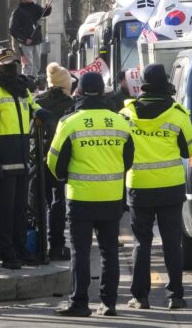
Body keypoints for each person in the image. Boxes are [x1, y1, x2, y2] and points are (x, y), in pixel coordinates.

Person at [49, 72, 134, 317]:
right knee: (110, 252)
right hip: (111, 197)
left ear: (80, 92)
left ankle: (80, 302)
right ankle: (108, 303)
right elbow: (128, 159)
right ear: (104, 92)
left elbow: (53, 161)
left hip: (80, 198)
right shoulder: (119, 122)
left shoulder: (70, 122)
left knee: (81, 252)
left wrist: (66, 177)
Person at [120, 63, 192, 310]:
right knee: (172, 242)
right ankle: (175, 296)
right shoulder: (178, 113)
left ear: (141, 84)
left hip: (139, 186)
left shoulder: (126, 115)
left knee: (141, 242)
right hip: (170, 187)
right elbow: (191, 150)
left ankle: (140, 297)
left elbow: (120, 151)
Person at [0, 48, 37, 268]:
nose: (12, 67)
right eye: (7, 64)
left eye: (14, 63)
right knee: (4, 211)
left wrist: (41, 111)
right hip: (4, 159)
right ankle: (7, 254)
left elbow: (33, 107)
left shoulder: (21, 89)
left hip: (22, 156)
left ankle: (20, 248)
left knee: (19, 209)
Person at [33, 62, 75, 261]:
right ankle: (57, 245)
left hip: (38, 159)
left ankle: (39, 245)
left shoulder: (36, 102)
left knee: (39, 201)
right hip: (62, 159)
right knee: (58, 202)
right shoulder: (70, 105)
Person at [9, 0, 52, 78]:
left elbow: (43, 13)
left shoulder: (34, 7)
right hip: (26, 44)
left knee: (37, 65)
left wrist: (48, 7)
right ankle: (26, 84)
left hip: (36, 41)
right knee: (28, 65)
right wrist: (24, 39)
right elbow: (13, 29)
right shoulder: (17, 12)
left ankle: (34, 82)